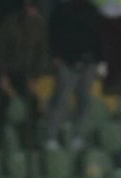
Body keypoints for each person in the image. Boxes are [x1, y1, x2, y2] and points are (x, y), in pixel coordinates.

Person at [0, 0, 47, 148]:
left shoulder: (39, 26)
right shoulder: (9, 24)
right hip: (2, 70)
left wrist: (35, 78)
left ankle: (29, 138)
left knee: (33, 101)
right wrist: (2, 76)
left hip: (21, 72)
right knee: (4, 99)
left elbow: (41, 53)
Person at [44, 0, 103, 151]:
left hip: (88, 62)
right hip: (66, 61)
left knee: (84, 101)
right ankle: (51, 137)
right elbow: (53, 32)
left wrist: (100, 60)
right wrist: (55, 55)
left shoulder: (92, 10)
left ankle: (78, 137)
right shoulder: (62, 9)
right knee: (60, 99)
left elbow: (99, 36)